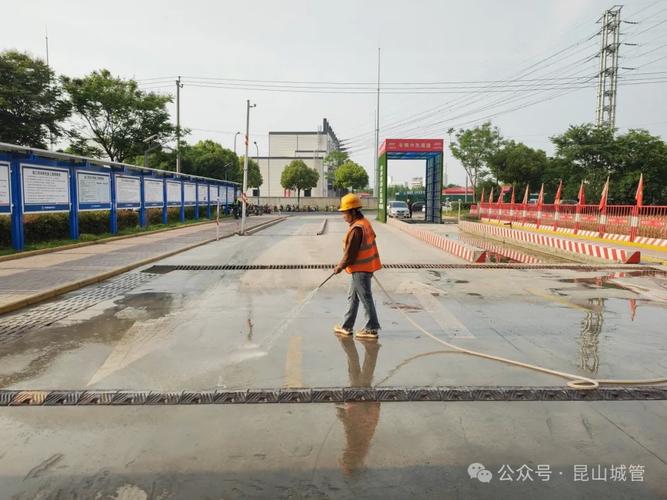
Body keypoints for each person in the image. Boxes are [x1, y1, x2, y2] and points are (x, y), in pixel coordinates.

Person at [333, 193, 382, 340]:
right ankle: (346, 326)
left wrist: (339, 267)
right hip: (362, 268)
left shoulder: (356, 229)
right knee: (352, 297)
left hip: (361, 269)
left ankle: (371, 328)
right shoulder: (364, 223)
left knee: (365, 298)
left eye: (345, 212)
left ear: (353, 212)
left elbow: (350, 254)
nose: (343, 216)